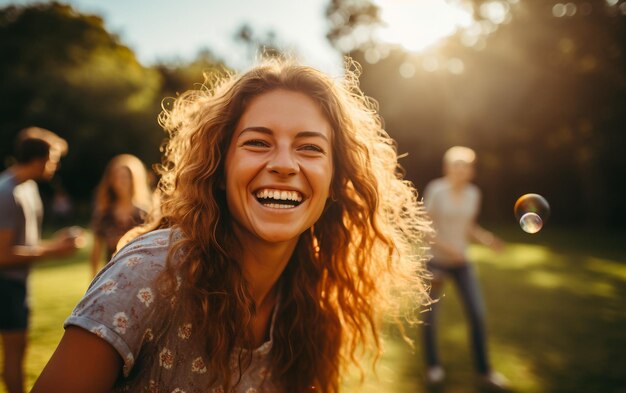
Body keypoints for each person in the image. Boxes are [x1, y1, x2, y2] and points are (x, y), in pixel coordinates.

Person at [31, 59, 432, 393]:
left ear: (335, 183)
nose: (284, 164)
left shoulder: (311, 304)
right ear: (219, 170)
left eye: (310, 148)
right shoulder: (149, 275)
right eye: (258, 142)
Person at [0, 127, 83, 393]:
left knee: (18, 352)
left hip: (17, 284)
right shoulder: (6, 193)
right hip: (6, 286)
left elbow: (23, 245)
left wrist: (55, 243)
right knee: (13, 354)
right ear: (39, 159)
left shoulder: (29, 189)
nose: (55, 165)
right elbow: (2, 255)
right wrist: (54, 251)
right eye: (54, 159)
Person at [421, 146, 509, 389]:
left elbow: (469, 227)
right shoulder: (436, 190)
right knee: (430, 317)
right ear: (447, 167)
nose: (461, 169)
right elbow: (425, 229)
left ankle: (485, 372)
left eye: (466, 165)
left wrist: (488, 240)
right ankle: (433, 368)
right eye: (456, 164)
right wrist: (450, 250)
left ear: (471, 170)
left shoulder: (473, 193)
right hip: (436, 261)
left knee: (478, 315)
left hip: (463, 263)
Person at [90, 154, 152, 277]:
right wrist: (93, 279)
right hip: (112, 275)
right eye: (117, 177)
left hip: (140, 275)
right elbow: (96, 250)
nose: (121, 182)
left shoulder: (145, 214)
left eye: (125, 177)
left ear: (134, 179)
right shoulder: (104, 214)